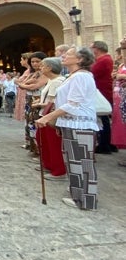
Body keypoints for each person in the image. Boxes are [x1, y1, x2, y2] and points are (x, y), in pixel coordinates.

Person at [35, 47, 99, 211]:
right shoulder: (74, 76)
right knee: (74, 162)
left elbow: (73, 104)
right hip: (71, 123)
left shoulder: (81, 77)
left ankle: (86, 200)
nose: (64, 56)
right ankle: (77, 195)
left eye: (69, 54)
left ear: (80, 60)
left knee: (82, 163)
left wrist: (48, 117)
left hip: (80, 124)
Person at [32, 58, 66, 180]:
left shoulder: (57, 81)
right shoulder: (51, 81)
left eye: (43, 66)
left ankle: (58, 170)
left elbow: (51, 103)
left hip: (49, 116)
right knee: (42, 139)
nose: (41, 68)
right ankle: (48, 164)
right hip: (44, 114)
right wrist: (40, 101)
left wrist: (39, 105)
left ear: (50, 68)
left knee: (52, 143)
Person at [91, 40, 116, 153]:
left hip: (102, 92)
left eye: (92, 48)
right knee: (104, 120)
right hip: (103, 90)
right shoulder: (104, 59)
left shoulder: (103, 60)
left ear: (97, 49)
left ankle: (105, 145)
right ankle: (108, 143)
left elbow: (92, 72)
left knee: (103, 119)